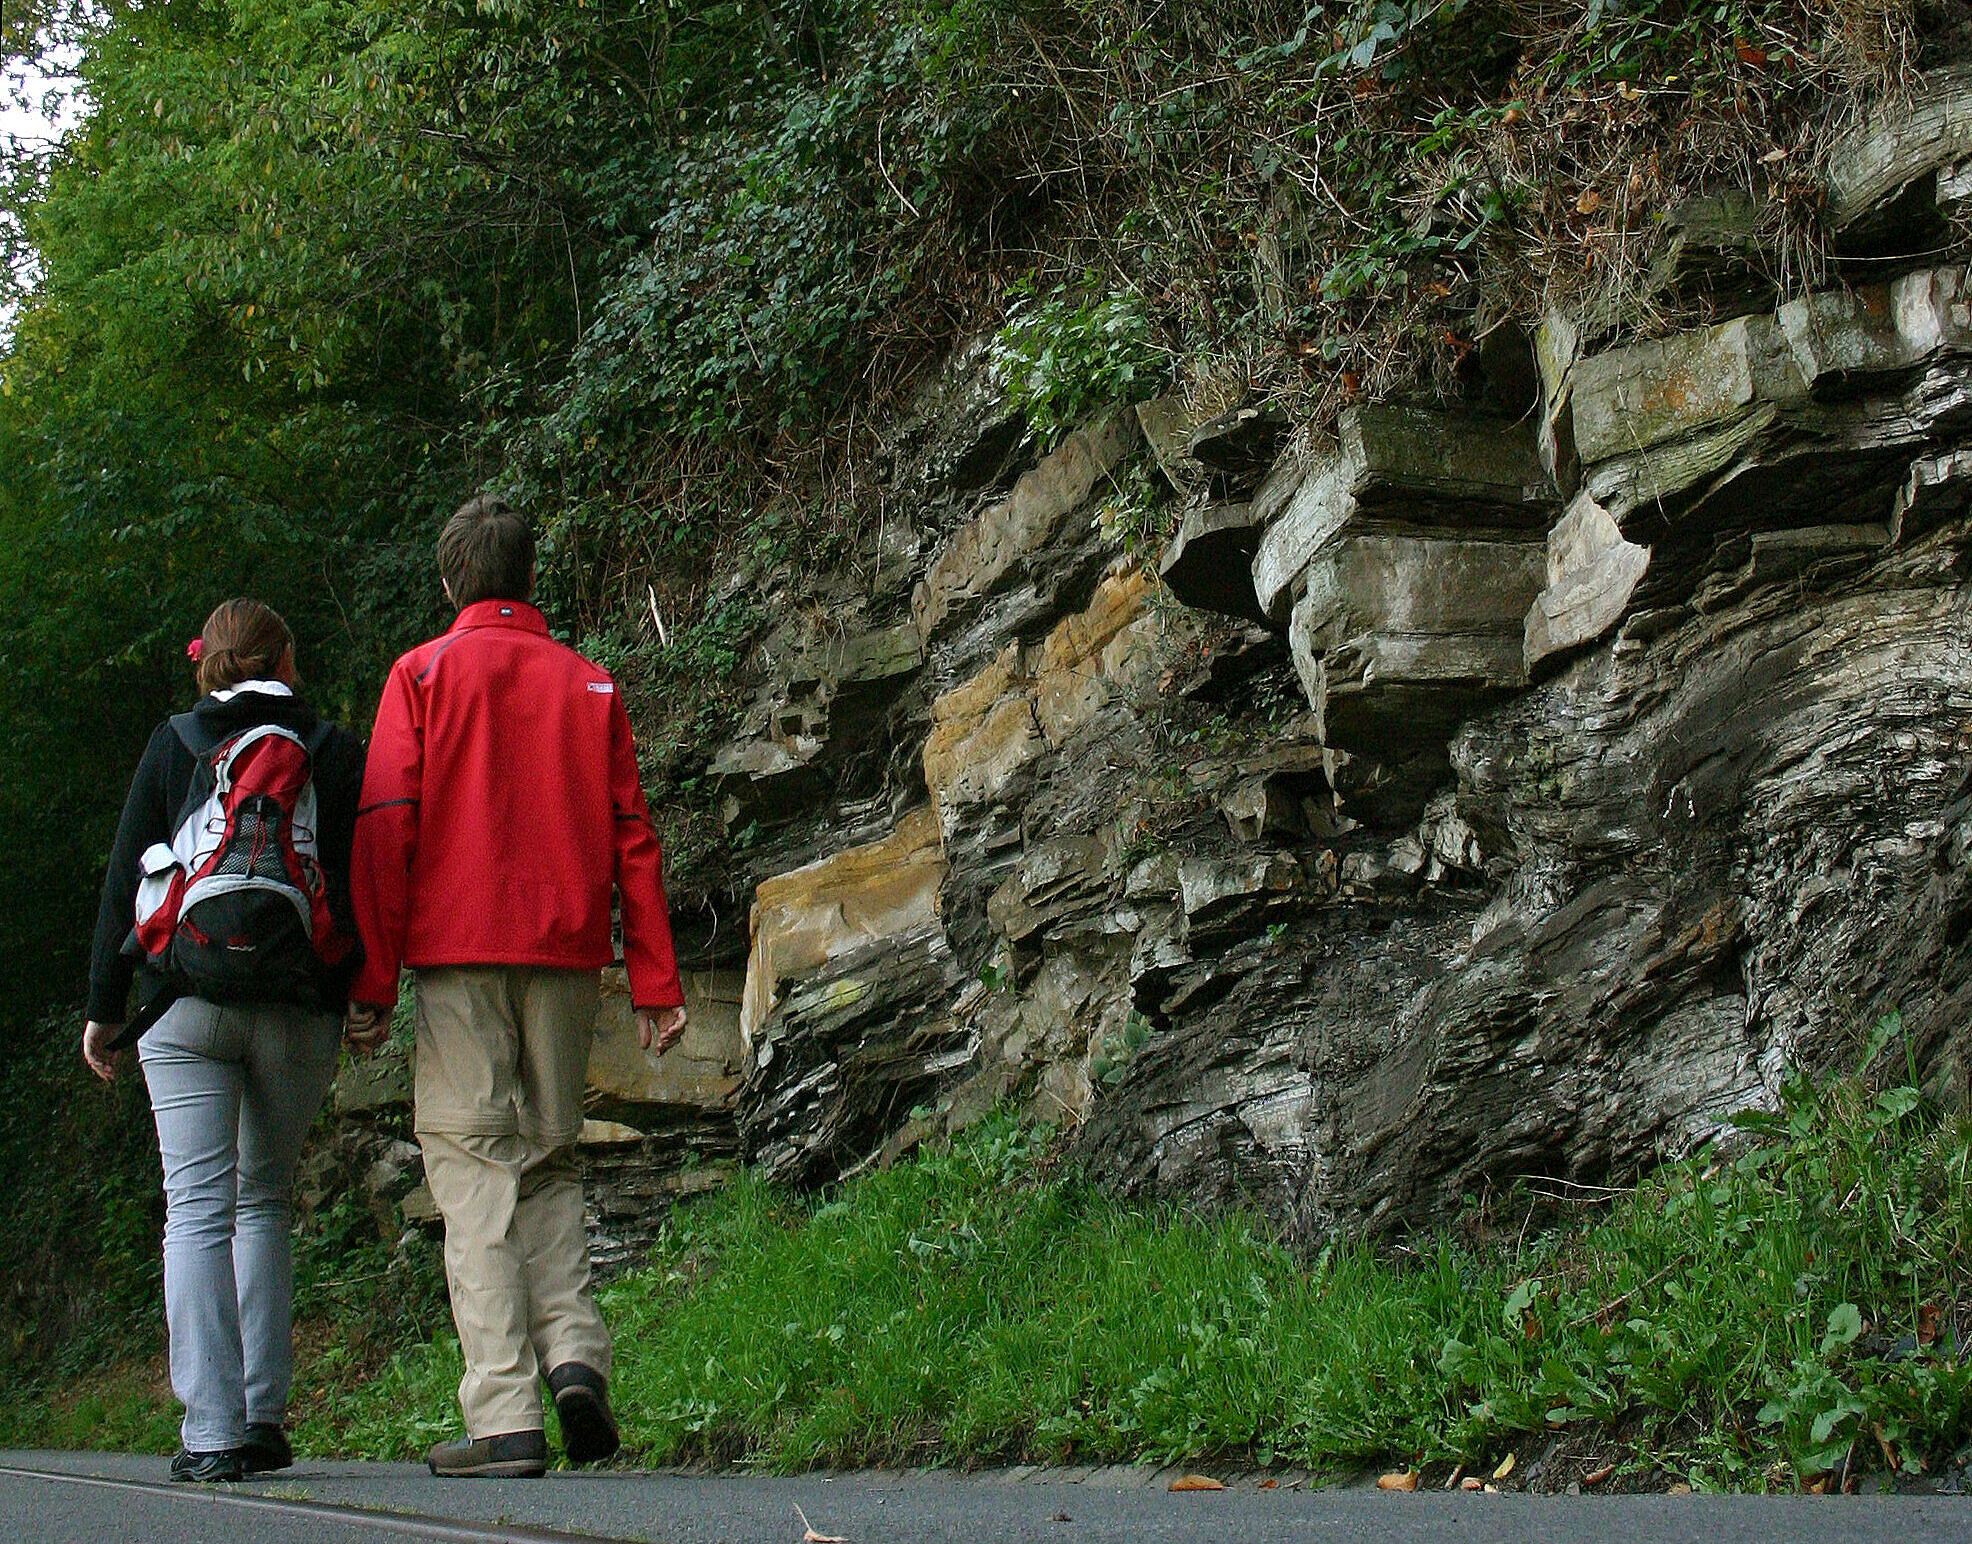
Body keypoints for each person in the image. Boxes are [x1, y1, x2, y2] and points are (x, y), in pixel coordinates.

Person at [346, 495, 688, 1478]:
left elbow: (386, 825)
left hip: (456, 957)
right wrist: (655, 978)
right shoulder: (589, 684)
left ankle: (504, 1409)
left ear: (452, 580)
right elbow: (632, 835)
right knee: (549, 1157)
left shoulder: (419, 674)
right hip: (568, 956)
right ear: (530, 577)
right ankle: (576, 1358)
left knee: (471, 1168)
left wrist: (372, 977)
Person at [82, 599, 365, 1484]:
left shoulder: (176, 741)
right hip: (297, 1002)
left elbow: (128, 865)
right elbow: (360, 873)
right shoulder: (328, 745)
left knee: (197, 1206)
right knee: (266, 1201)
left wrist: (104, 1005)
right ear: (286, 656)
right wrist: (360, 990)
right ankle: (264, 1414)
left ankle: (211, 1431)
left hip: (183, 1003)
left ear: (210, 662)